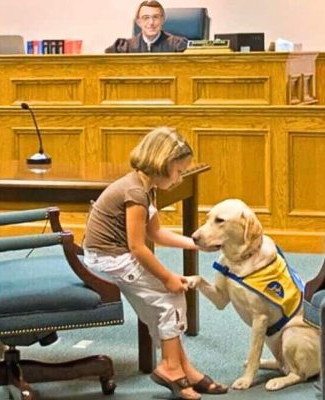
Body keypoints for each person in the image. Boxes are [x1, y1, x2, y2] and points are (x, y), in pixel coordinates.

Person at [83, 127, 226, 400]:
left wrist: (197, 243)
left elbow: (156, 234)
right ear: (162, 163)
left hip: (114, 255)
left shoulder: (146, 187)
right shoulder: (135, 193)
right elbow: (138, 247)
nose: (181, 177)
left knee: (160, 308)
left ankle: (184, 368)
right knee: (171, 299)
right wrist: (167, 277)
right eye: (179, 171)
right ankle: (171, 368)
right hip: (109, 258)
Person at [105, 0, 188, 53]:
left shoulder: (176, 45)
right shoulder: (124, 48)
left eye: (156, 17)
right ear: (138, 22)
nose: (151, 22)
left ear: (163, 19)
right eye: (146, 18)